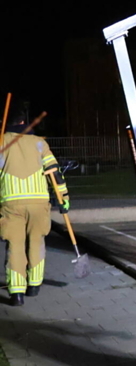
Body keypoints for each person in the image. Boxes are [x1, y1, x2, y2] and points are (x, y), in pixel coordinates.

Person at [0, 112, 69, 306]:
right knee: (36, 242)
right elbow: (54, 172)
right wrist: (64, 198)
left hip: (11, 203)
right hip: (38, 203)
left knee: (15, 246)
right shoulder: (39, 143)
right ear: (24, 122)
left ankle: (16, 293)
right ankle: (34, 285)